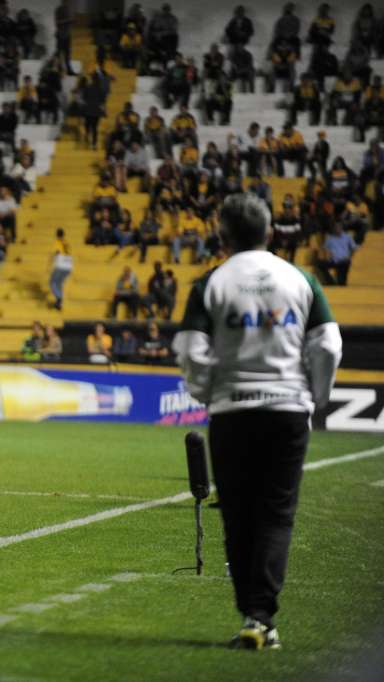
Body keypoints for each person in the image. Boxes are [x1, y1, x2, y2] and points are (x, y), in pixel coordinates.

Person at [173, 192, 342, 650]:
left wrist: (208, 391)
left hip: (233, 411)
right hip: (287, 410)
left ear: (221, 234)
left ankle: (251, 613)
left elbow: (189, 347)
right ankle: (260, 616)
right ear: (269, 232)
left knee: (238, 514)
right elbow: (327, 344)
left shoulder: (211, 282)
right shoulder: (300, 279)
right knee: (276, 513)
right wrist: (315, 397)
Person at [50, 228, 72, 311]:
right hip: (69, 265)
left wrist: (52, 262)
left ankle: (59, 298)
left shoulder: (57, 242)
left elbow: (57, 252)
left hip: (61, 264)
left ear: (56, 234)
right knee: (59, 283)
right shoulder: (67, 242)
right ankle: (59, 303)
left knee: (52, 282)